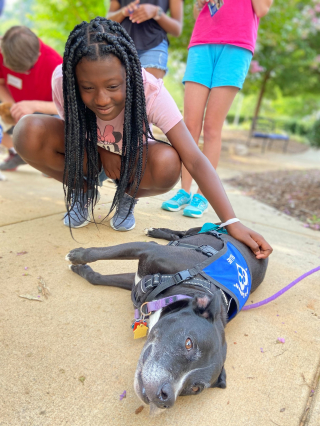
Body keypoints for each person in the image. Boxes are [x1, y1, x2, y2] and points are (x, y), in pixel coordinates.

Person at [13, 17, 272, 259]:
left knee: (169, 162)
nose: (102, 99)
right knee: (27, 131)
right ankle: (83, 188)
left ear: (130, 75)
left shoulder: (150, 91)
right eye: (88, 88)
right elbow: (74, 131)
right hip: (87, 155)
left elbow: (194, 159)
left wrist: (231, 222)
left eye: (113, 86)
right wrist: (103, 151)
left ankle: (127, 193)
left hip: (129, 163)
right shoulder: (63, 79)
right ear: (75, 80)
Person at [162, 0, 273, 217]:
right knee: (190, 124)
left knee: (212, 127)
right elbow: (197, 12)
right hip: (202, 42)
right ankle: (183, 191)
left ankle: (203, 194)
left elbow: (262, 9)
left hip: (237, 46)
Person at [0, 26, 62, 171]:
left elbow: (69, 105)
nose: (24, 74)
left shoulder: (55, 63)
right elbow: (1, 83)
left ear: (38, 54)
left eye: (28, 69)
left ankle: (49, 158)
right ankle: (19, 152)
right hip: (18, 111)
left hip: (46, 115)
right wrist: (13, 105)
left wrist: (33, 106)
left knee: (61, 124)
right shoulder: (4, 51)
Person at [107, 0, 183, 79]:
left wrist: (155, 12)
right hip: (121, 46)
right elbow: (107, 21)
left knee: (148, 89)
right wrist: (123, 12)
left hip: (154, 45)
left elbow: (177, 29)